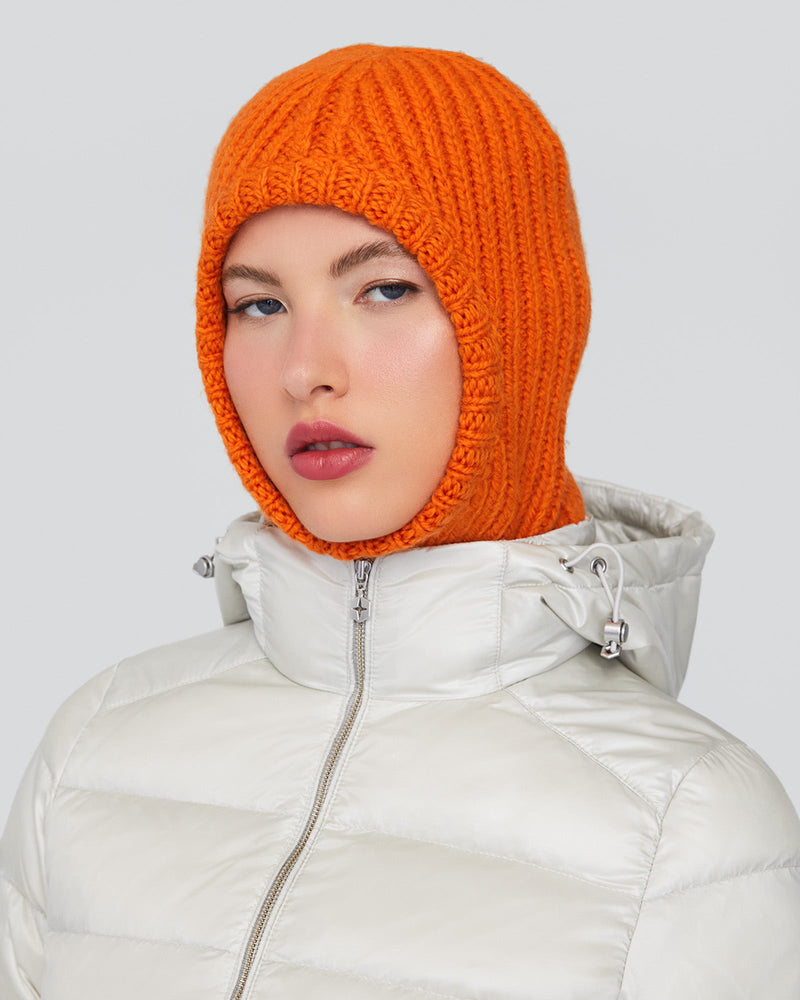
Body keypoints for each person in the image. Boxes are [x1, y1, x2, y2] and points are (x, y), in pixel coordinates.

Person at [1, 43, 799, 999]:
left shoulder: (688, 823)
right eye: (259, 304)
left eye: (384, 289)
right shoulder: (95, 748)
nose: (306, 368)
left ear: (522, 318)